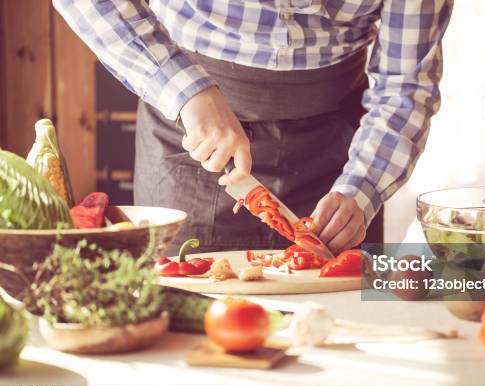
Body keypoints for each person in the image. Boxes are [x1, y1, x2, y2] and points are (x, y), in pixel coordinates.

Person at [54, 0, 453, 255]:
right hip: (188, 130)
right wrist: (185, 91)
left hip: (344, 149)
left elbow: (406, 84)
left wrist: (362, 188)